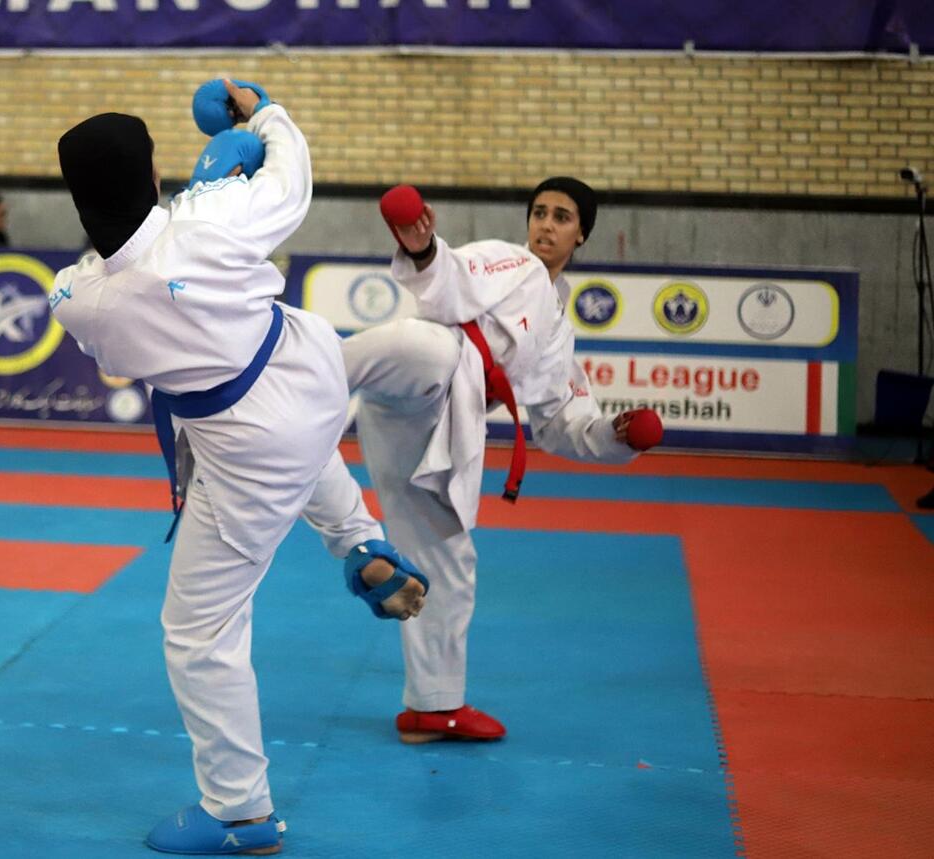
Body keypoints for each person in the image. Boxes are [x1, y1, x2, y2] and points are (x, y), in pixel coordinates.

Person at [48, 80, 426, 856]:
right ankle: (360, 540)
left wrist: (196, 190)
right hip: (311, 369)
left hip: (248, 441)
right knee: (303, 444)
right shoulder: (214, 216)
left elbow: (104, 274)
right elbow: (292, 179)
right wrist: (265, 117)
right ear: (152, 174)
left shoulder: (81, 300)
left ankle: (240, 811)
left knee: (198, 629)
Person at [317, 177, 654, 744]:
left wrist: (617, 435)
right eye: (540, 212)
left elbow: (560, 423)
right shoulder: (508, 261)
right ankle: (272, 388)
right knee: (423, 347)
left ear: (582, 234)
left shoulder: (559, 334)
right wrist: (423, 249)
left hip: (444, 429)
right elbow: (449, 280)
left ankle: (432, 707)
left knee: (451, 561)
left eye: (562, 217)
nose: (547, 224)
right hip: (428, 368)